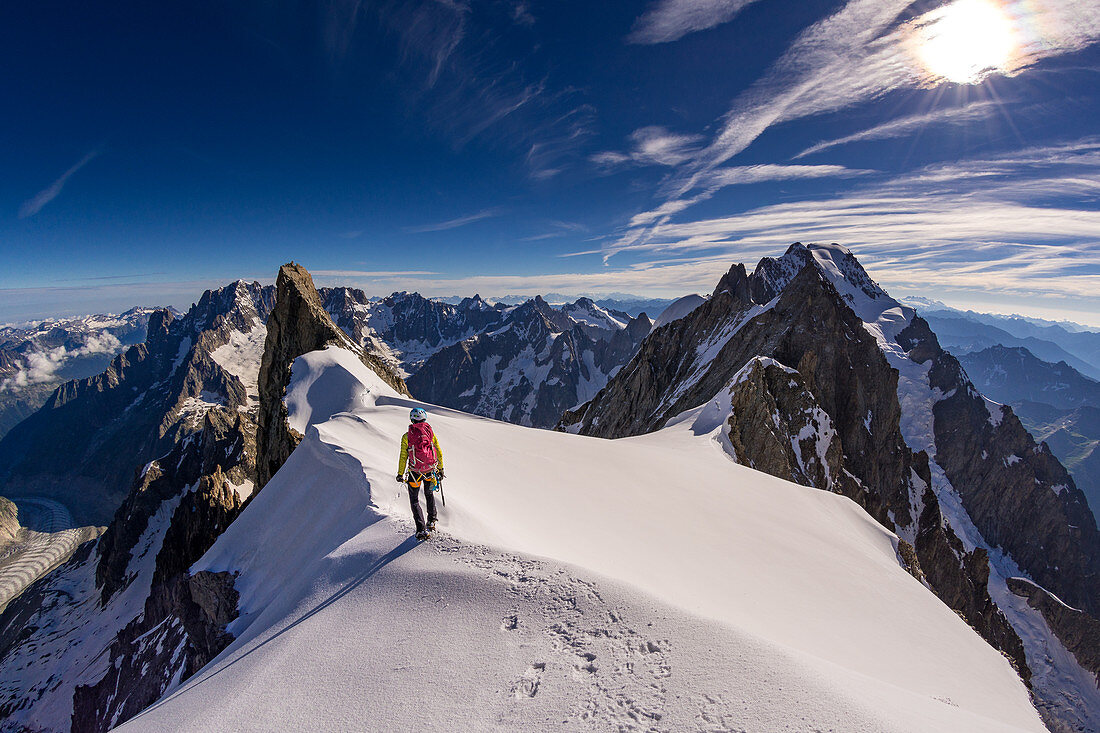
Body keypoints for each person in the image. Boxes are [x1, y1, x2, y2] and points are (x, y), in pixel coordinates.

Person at [397, 407, 445, 540]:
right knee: (429, 494)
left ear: (411, 419)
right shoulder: (430, 433)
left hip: (414, 473)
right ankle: (432, 520)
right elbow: (438, 451)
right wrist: (440, 469)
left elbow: (403, 456)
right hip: (430, 470)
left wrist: (400, 474)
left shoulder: (407, 436)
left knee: (414, 500)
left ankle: (421, 529)